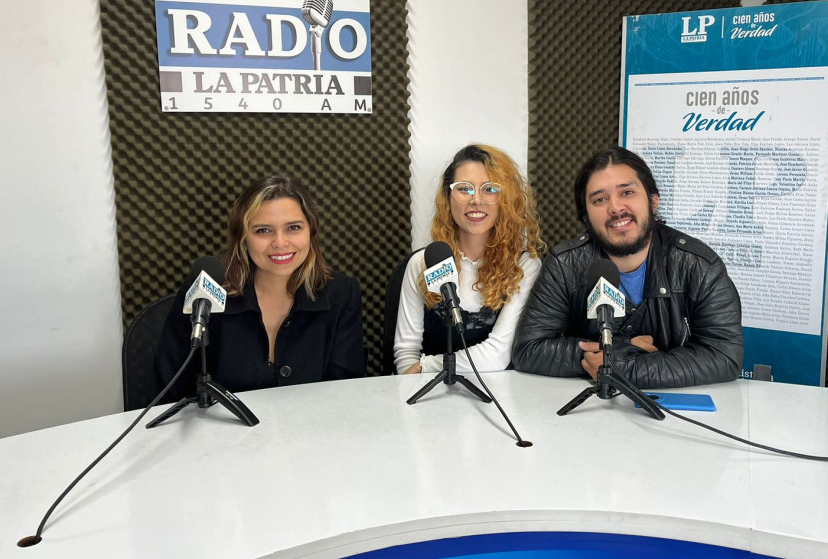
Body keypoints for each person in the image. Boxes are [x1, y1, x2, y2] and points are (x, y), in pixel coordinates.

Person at [512, 146, 742, 387]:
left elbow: (724, 356)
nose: (615, 207)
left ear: (653, 202)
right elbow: (528, 350)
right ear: (586, 218)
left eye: (627, 192)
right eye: (600, 199)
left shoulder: (699, 265)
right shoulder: (564, 265)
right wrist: (622, 348)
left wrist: (621, 368)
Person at [155, 175, 364, 402]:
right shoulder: (205, 292)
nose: (280, 243)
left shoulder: (341, 294)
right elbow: (165, 397)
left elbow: (346, 396)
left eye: (293, 228)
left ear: (311, 231)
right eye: (263, 231)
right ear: (243, 238)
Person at [394, 144, 545, 374]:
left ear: (506, 199)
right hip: (430, 396)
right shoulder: (421, 263)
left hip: (497, 399)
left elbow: (497, 355)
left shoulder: (524, 266)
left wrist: (426, 365)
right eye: (464, 188)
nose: (476, 200)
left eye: (490, 189)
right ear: (448, 197)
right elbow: (406, 354)